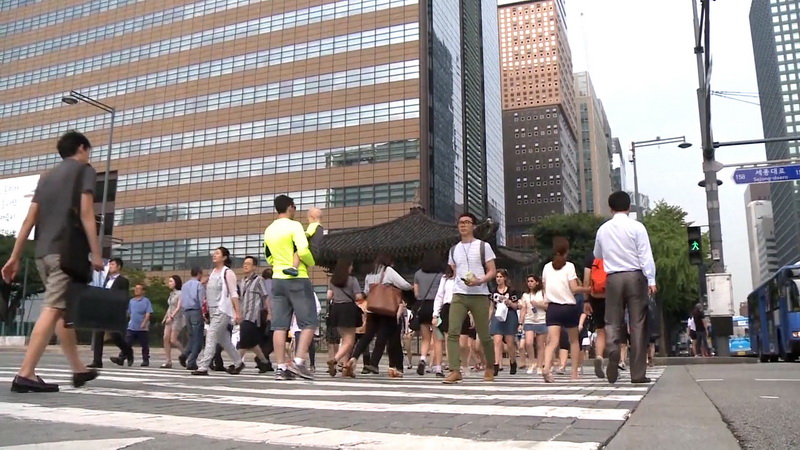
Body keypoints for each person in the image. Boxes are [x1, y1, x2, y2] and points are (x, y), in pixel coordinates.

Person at [2, 130, 102, 393]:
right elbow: (87, 213)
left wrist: (14, 256)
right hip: (65, 253)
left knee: (59, 309)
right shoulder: (85, 170)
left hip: (42, 253)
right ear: (82, 148)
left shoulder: (46, 178)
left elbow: (29, 219)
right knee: (52, 309)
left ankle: (78, 369)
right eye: (88, 150)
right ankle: (25, 374)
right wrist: (96, 253)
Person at [593, 191, 657, 384]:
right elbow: (645, 255)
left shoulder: (603, 230)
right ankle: (637, 374)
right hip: (636, 276)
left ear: (610, 208)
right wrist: (651, 280)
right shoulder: (637, 227)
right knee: (638, 324)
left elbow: (598, 254)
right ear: (629, 207)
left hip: (613, 278)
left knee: (612, 320)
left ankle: (613, 350)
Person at [263, 195, 318, 380]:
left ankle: (281, 368)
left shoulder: (269, 230)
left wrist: (279, 264)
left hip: (278, 279)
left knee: (279, 326)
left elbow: (268, 257)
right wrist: (311, 261)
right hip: (297, 278)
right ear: (290, 207)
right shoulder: (295, 226)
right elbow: (302, 250)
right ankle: (299, 362)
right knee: (309, 322)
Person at [442, 213, 497, 385]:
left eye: (467, 222)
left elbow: (492, 270)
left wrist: (479, 280)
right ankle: (454, 370)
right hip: (459, 294)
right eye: (460, 222)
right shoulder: (454, 250)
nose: (463, 225)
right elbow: (454, 270)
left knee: (484, 335)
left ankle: (490, 366)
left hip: (479, 294)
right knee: (453, 332)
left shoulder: (483, 246)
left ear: (473, 226)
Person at [541, 237, 590, 382]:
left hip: (552, 308)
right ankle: (574, 373)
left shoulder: (546, 267)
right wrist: (588, 289)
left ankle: (546, 368)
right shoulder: (569, 267)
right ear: (566, 251)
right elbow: (574, 288)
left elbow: (544, 288)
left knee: (553, 342)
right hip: (568, 308)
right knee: (573, 341)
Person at [191, 247, 244, 376]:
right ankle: (238, 363)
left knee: (211, 335)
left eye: (217, 253)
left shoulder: (228, 273)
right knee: (224, 340)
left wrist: (238, 312)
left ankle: (203, 366)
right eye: (214, 253)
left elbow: (234, 294)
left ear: (224, 257)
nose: (214, 255)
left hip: (222, 310)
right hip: (212, 310)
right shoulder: (213, 272)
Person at [89, 257, 133, 368]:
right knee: (98, 334)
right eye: (110, 265)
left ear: (118, 267)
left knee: (115, 336)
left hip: (114, 311)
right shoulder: (106, 280)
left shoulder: (123, 281)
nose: (110, 267)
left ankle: (128, 351)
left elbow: (123, 297)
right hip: (103, 310)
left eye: (112, 265)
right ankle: (97, 361)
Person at [326, 259, 364, 378]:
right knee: (349, 342)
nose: (352, 268)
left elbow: (328, 296)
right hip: (348, 309)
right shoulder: (352, 280)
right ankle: (335, 359)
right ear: (347, 267)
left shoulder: (333, 280)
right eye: (351, 266)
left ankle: (346, 368)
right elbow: (358, 296)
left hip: (336, 309)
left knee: (344, 340)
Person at [236, 256, 271, 372]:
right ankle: (265, 362)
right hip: (244, 314)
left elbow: (265, 296)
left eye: (248, 264)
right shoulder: (242, 281)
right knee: (253, 342)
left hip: (253, 316)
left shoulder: (259, 280)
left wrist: (269, 313)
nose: (245, 266)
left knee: (243, 340)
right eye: (244, 263)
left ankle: (237, 363)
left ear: (254, 267)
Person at [413, 251, 444, 376]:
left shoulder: (418, 274)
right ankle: (438, 367)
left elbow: (416, 294)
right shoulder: (440, 275)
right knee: (437, 339)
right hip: (436, 307)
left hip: (423, 306)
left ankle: (422, 359)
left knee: (425, 338)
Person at [489, 269, 521, 376]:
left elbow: (516, 306)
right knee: (497, 340)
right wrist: (489, 319)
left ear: (505, 278)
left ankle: (513, 361)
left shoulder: (511, 291)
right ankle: (496, 364)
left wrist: (509, 302)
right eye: (497, 277)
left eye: (500, 277)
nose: (498, 279)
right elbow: (491, 307)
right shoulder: (493, 291)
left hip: (509, 315)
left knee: (509, 342)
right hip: (498, 315)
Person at [583, 252, 608, 379]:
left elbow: (586, 280)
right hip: (612, 295)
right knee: (614, 328)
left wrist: (586, 300)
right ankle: (615, 362)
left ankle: (599, 357)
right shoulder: (614, 252)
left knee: (600, 330)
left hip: (595, 296)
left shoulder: (591, 257)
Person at [518, 275, 547, 375]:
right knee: (528, 342)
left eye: (532, 281)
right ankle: (532, 362)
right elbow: (523, 310)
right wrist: (520, 323)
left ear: (537, 282)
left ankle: (539, 365)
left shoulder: (542, 293)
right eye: (528, 281)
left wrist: (538, 304)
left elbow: (547, 306)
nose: (530, 283)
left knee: (540, 345)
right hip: (529, 320)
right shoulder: (525, 295)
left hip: (541, 320)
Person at [119, 283, 153, 367]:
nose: (136, 290)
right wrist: (130, 321)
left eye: (138, 289)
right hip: (132, 327)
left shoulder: (146, 301)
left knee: (144, 345)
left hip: (142, 328)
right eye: (135, 288)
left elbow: (148, 313)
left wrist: (144, 322)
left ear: (143, 291)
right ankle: (122, 358)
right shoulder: (131, 301)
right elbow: (130, 313)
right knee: (127, 343)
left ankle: (145, 360)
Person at [284, 207, 324, 277]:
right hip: (317, 253)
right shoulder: (320, 228)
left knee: (297, 252)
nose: (308, 221)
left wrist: (297, 236)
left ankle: (294, 268)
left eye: (308, 219)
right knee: (304, 259)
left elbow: (307, 235)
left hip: (312, 250)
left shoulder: (313, 225)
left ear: (312, 217)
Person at [178, 268, 204, 371]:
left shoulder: (185, 286)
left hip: (186, 312)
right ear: (199, 274)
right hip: (196, 311)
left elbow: (182, 300)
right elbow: (201, 301)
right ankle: (192, 361)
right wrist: (204, 314)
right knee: (198, 338)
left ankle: (185, 354)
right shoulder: (199, 285)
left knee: (192, 337)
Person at [160, 275, 185, 368]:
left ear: (176, 282)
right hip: (169, 318)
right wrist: (165, 317)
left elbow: (178, 307)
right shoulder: (171, 294)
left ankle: (185, 353)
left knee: (173, 340)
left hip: (177, 318)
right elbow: (170, 307)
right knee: (165, 338)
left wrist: (171, 317)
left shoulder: (180, 293)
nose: (169, 283)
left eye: (171, 281)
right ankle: (168, 361)